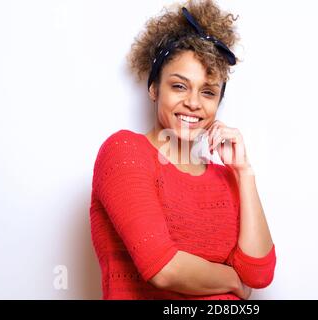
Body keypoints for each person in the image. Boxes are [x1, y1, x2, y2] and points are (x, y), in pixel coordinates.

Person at [89, 0, 276, 300]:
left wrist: (244, 172)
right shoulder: (126, 151)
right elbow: (162, 268)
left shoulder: (225, 177)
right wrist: (232, 279)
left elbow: (259, 274)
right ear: (154, 88)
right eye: (179, 86)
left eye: (208, 92)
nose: (193, 102)